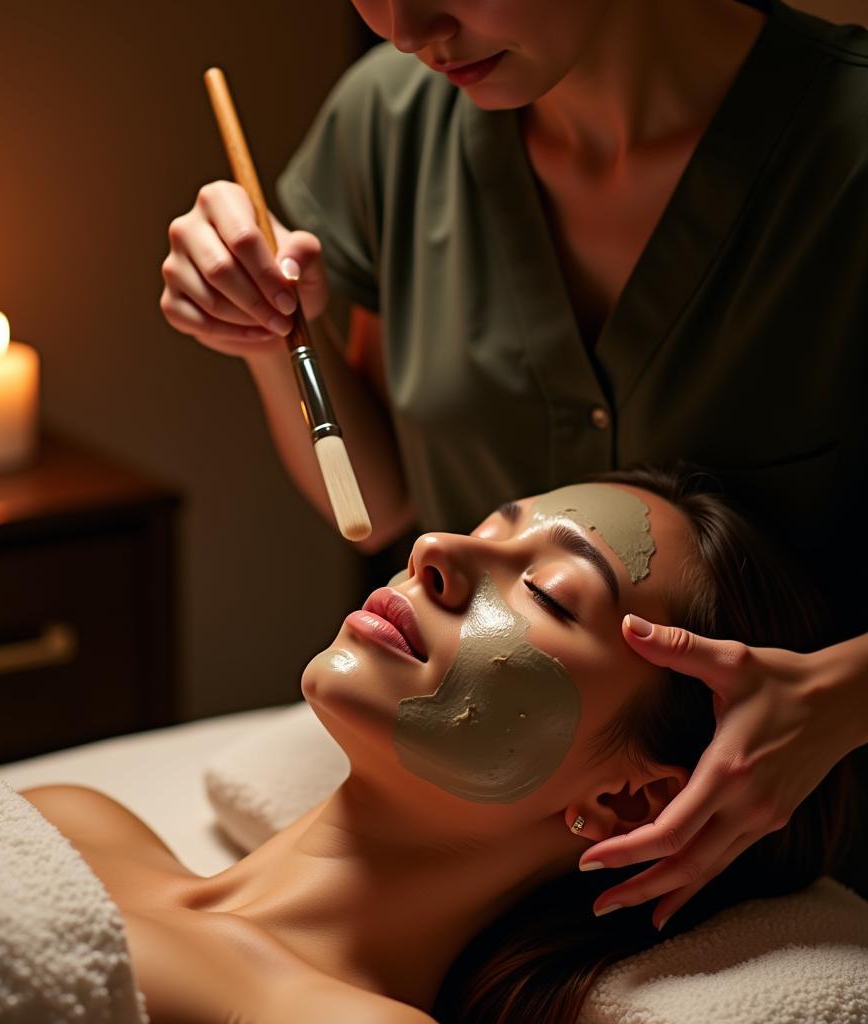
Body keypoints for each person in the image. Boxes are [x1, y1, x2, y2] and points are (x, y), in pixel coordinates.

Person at [160, 0, 868, 922]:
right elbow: (372, 506)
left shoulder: (843, 153)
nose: (407, 28)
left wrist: (847, 699)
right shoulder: (391, 120)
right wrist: (267, 338)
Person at [23, 467, 855, 1023]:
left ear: (626, 802)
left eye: (551, 595)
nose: (432, 550)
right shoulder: (67, 822)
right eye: (486, 526)